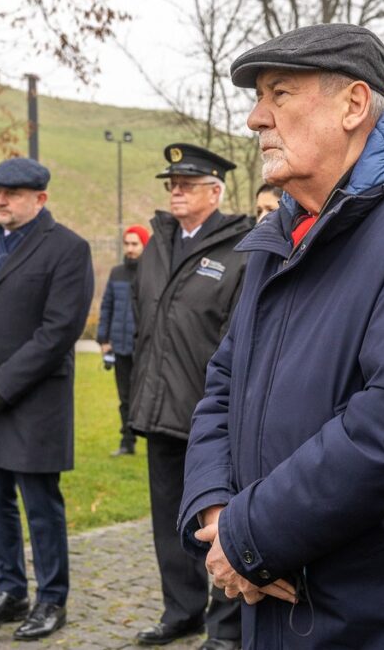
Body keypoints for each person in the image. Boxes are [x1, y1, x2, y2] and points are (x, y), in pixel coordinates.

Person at [180, 23, 384, 648]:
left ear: (354, 105)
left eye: (279, 94)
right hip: (273, 590)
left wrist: (252, 534)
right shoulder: (284, 235)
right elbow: (223, 384)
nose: (255, 118)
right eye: (258, 98)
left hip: (377, 611)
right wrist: (217, 510)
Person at [0, 157, 93, 641]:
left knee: (40, 506)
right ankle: (10, 591)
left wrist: (4, 384)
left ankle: (51, 599)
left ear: (40, 198)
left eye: (11, 194)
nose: (1, 200)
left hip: (33, 401)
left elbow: (59, 330)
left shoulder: (68, 248)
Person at [130, 143, 251, 649]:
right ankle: (180, 612)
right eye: (171, 185)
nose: (175, 192)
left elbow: (236, 339)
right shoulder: (158, 242)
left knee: (218, 521)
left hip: (210, 415)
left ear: (215, 192)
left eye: (187, 184)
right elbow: (145, 322)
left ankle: (225, 628)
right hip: (159, 408)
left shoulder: (238, 249)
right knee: (168, 523)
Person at [96, 224, 149, 456]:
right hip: (120, 347)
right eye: (126, 243)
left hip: (144, 348)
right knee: (124, 397)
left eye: (134, 244)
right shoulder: (116, 273)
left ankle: (152, 440)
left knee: (145, 396)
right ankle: (127, 441)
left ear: (144, 245)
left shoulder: (151, 273)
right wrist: (103, 339)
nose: (130, 248)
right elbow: (106, 306)